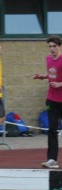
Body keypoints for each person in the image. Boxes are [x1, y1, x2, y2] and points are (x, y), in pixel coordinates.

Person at [33, 35, 62, 169]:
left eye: (54, 46)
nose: (52, 49)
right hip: (51, 99)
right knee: (52, 130)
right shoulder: (48, 59)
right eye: (50, 46)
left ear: (59, 46)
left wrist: (60, 84)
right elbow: (52, 74)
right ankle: (52, 159)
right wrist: (43, 77)